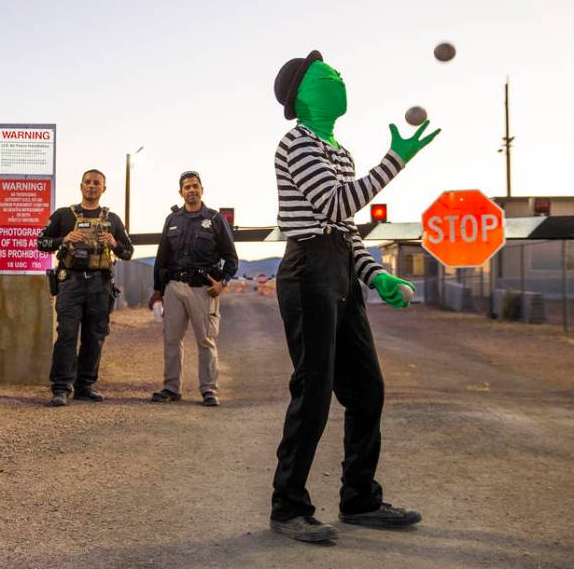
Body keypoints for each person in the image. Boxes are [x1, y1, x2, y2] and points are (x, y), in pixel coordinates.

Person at [267, 51, 439, 542]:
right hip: (306, 273)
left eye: (338, 74)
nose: (338, 79)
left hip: (338, 266)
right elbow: (337, 202)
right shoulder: (295, 143)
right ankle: (288, 506)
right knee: (315, 390)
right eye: (327, 76)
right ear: (302, 94)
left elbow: (346, 226)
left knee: (367, 389)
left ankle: (360, 499)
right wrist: (397, 160)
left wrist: (375, 275)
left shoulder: (339, 151)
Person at [37, 169, 133, 406]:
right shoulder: (63, 215)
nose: (92, 186)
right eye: (88, 182)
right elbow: (41, 243)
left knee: (95, 336)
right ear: (81, 186)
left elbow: (128, 252)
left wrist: (114, 242)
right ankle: (61, 387)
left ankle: (85, 385)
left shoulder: (113, 220)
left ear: (103, 188)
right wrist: (64, 239)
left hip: (100, 284)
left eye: (97, 183)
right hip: (71, 282)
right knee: (67, 334)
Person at [147, 171, 238, 406]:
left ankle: (209, 390)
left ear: (202, 189)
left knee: (206, 340)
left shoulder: (215, 219)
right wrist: (158, 290)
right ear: (181, 192)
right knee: (171, 339)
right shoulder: (173, 220)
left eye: (195, 186)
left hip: (202, 290)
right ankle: (171, 388)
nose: (191, 190)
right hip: (174, 287)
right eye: (187, 187)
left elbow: (231, 258)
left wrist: (223, 283)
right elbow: (161, 257)